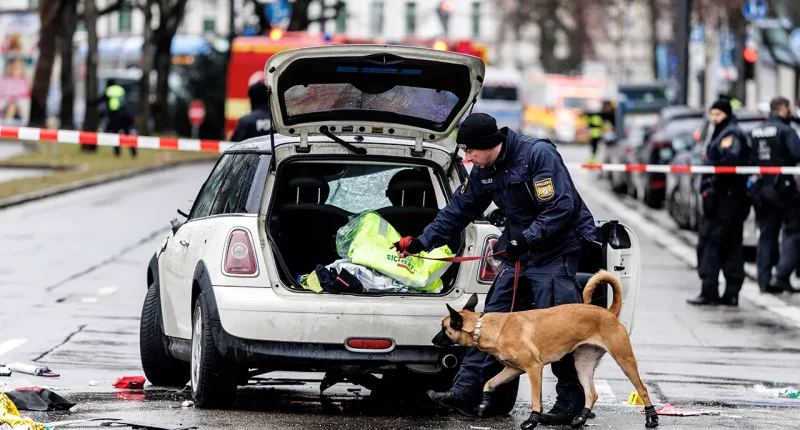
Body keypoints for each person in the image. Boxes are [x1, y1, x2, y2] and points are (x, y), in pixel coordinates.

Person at [392, 113, 598, 424]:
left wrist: (526, 239)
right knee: (485, 325)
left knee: (559, 329)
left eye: (470, 150)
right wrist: (422, 242)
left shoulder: (536, 154)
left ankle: (569, 402)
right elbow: (458, 210)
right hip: (518, 255)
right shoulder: (483, 169)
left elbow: (560, 207)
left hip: (554, 253)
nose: (467, 157)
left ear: (490, 144)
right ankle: (464, 391)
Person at [687, 99, 751, 306]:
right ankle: (730, 293)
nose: (714, 119)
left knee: (710, 244)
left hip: (724, 200)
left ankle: (710, 291)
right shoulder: (724, 132)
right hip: (729, 199)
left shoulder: (730, 134)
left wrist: (712, 186)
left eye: (718, 115)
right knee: (730, 245)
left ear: (727, 114)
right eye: (712, 114)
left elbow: (729, 160)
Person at [750, 97, 800, 293]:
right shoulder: (786, 130)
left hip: (761, 188)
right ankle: (781, 275)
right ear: (784, 108)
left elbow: (750, 158)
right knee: (793, 231)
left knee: (766, 235)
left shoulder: (756, 130)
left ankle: (763, 280)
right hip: (783, 189)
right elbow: (797, 153)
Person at [96, 79, 136, 157]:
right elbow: (125, 101)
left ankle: (117, 152)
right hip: (124, 114)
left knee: (115, 134)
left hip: (115, 116)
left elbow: (100, 100)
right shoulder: (121, 89)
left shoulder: (109, 91)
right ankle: (133, 151)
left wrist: (89, 102)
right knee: (127, 134)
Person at [584, 100, 616, 164]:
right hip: (598, 134)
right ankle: (595, 161)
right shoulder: (601, 114)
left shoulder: (592, 115)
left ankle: (597, 161)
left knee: (600, 149)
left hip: (600, 134)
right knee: (598, 149)